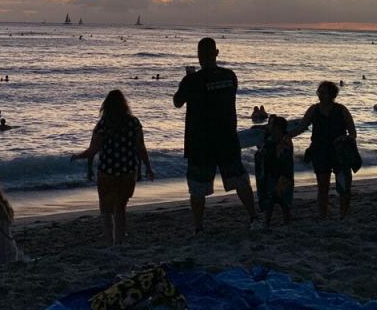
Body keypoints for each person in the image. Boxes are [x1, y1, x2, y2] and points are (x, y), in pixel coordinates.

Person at [173, 38, 259, 234]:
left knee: (197, 186)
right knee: (239, 179)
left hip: (200, 141)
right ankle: (254, 218)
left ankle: (199, 227)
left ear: (198, 55)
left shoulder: (191, 81)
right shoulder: (230, 76)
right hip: (226, 137)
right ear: (216, 53)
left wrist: (187, 82)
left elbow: (177, 102)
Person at [71, 90, 154, 245]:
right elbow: (140, 147)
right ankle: (119, 241)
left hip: (107, 170)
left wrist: (79, 157)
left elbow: (93, 150)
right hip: (128, 170)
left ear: (106, 106)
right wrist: (147, 168)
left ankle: (110, 241)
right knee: (120, 207)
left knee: (105, 207)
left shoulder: (103, 124)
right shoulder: (134, 122)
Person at [290, 81, 358, 218]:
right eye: (318, 92)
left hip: (339, 153)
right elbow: (301, 127)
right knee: (322, 187)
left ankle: (343, 215)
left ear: (331, 95)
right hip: (319, 151)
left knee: (344, 186)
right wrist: (285, 136)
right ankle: (323, 215)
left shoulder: (341, 109)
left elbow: (353, 133)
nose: (319, 95)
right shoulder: (313, 109)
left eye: (322, 92)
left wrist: (345, 139)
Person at [255, 115, 293, 228]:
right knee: (269, 200)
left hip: (282, 175)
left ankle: (286, 221)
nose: (268, 127)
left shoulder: (284, 142)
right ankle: (267, 222)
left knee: (284, 200)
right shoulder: (270, 138)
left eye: (270, 125)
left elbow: (281, 158)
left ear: (278, 128)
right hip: (270, 174)